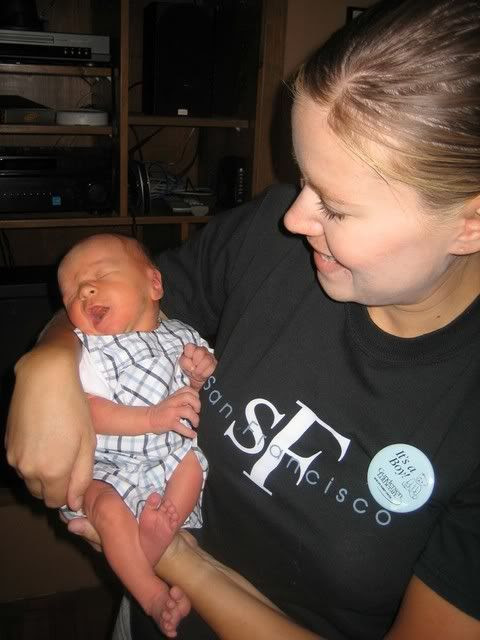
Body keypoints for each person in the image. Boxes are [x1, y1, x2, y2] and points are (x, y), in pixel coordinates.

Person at [5, 0, 480, 637]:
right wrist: (47, 361)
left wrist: (177, 561)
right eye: (302, 179)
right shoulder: (266, 239)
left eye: (336, 208)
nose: (294, 217)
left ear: (470, 223)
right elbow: (123, 300)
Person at [55, 233, 216, 635]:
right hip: (107, 467)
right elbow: (85, 411)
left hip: (168, 460)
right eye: (72, 292)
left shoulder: (182, 336)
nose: (85, 290)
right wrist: (151, 418)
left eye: (100, 275)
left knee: (193, 465)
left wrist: (198, 376)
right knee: (105, 507)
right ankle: (150, 593)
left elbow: (193, 398)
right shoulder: (90, 350)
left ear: (154, 284)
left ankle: (160, 532)